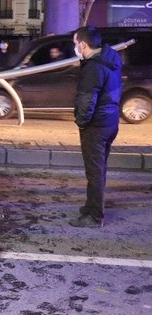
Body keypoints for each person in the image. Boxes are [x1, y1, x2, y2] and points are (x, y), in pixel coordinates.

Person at [69, 26, 121, 228]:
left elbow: (86, 99)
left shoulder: (93, 68)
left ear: (82, 44)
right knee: (99, 170)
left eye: (75, 43)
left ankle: (94, 215)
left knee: (94, 172)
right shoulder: (110, 60)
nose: (75, 47)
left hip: (96, 126)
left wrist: (82, 122)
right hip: (110, 121)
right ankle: (91, 207)